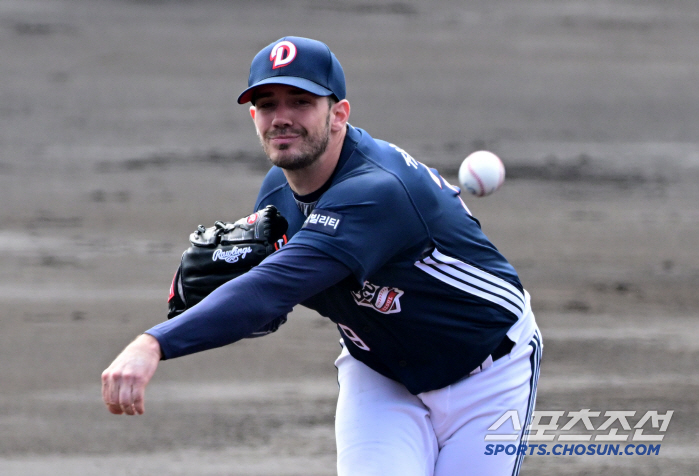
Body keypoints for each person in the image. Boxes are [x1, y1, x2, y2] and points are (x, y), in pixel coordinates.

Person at [102, 36, 543, 476]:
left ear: (339, 114)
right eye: (267, 104)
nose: (282, 118)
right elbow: (268, 306)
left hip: (486, 374)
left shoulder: (378, 191)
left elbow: (271, 289)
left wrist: (155, 342)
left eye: (301, 101)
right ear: (253, 116)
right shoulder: (277, 193)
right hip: (380, 373)